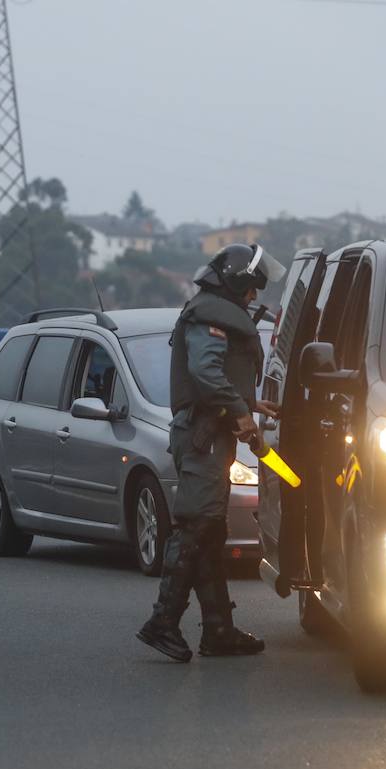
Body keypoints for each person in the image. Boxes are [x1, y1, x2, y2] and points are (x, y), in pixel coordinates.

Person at [136, 243, 282, 663]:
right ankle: (162, 622)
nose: (255, 297)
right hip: (202, 437)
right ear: (237, 284)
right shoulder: (208, 316)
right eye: (252, 288)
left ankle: (218, 629)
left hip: (209, 436)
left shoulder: (212, 311)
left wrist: (251, 405)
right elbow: (204, 373)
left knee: (210, 530)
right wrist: (240, 411)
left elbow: (217, 375)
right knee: (194, 527)